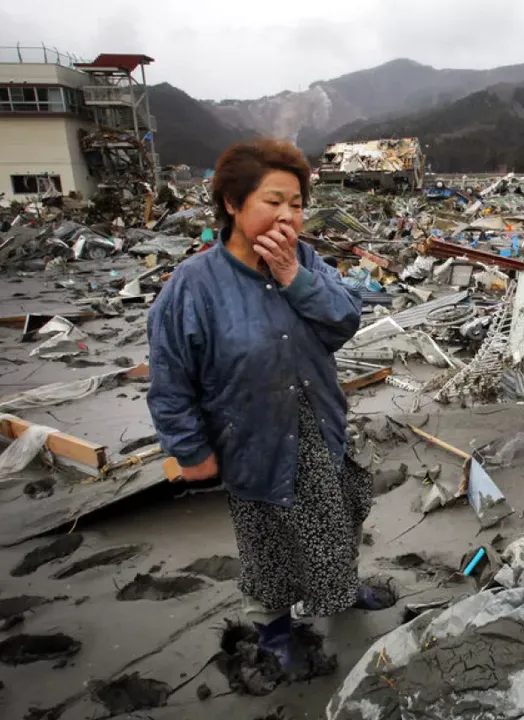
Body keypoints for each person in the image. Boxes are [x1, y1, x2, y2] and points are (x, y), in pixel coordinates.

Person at [146, 138, 384, 671]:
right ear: (232, 203)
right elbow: (170, 381)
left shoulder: (304, 260)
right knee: (268, 542)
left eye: (296, 204)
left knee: (338, 515)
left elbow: (344, 321)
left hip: (319, 422)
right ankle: (274, 625)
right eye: (273, 201)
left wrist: (294, 280)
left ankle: (341, 591)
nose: (288, 215)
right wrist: (189, 451)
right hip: (250, 438)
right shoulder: (193, 287)